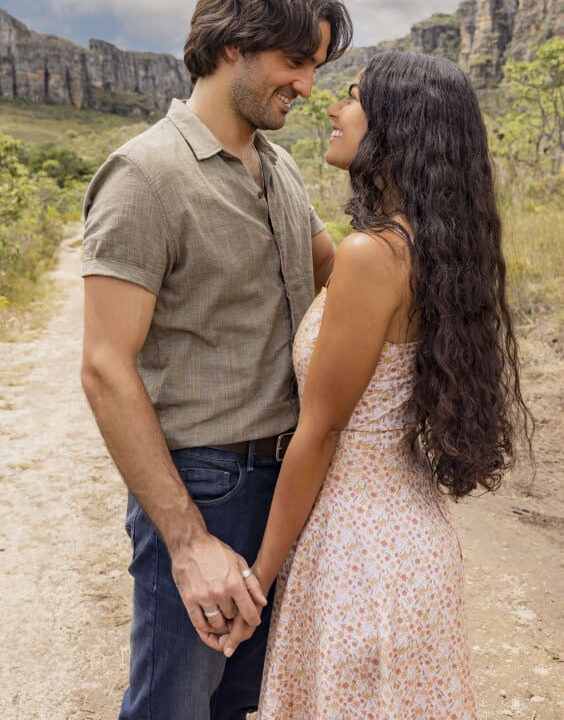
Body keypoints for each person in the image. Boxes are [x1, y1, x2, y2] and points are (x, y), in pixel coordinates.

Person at [218, 51, 534, 718]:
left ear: (398, 127)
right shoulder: (428, 246)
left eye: (353, 96)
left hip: (360, 551)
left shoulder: (373, 256)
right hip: (410, 540)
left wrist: (259, 581)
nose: (331, 107)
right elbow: (323, 261)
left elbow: (323, 429)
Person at [80, 0, 352, 720]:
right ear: (235, 42)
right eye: (296, 61)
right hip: (205, 483)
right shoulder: (147, 175)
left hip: (287, 484)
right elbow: (104, 368)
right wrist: (188, 539)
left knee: (243, 701)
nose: (307, 85)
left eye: (317, 67)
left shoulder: (280, 167)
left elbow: (337, 272)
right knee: (172, 705)